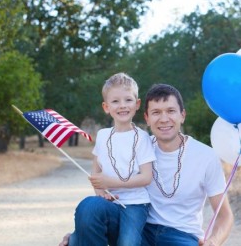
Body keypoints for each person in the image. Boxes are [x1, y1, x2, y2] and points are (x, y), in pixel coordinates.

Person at [59, 83, 233, 246]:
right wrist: (79, 236)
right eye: (156, 112)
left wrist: (212, 242)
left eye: (171, 111)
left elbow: (224, 216)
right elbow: (101, 182)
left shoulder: (206, 156)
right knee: (90, 206)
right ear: (147, 118)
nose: (164, 119)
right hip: (138, 228)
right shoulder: (137, 146)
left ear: (182, 115)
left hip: (180, 235)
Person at [67, 72, 157, 246]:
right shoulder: (102, 135)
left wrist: (111, 182)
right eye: (115, 101)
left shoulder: (142, 137)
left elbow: (146, 177)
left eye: (128, 100)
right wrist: (100, 191)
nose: (122, 106)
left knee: (127, 242)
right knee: (86, 219)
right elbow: (96, 170)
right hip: (110, 203)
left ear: (137, 104)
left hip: (135, 204)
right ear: (106, 107)